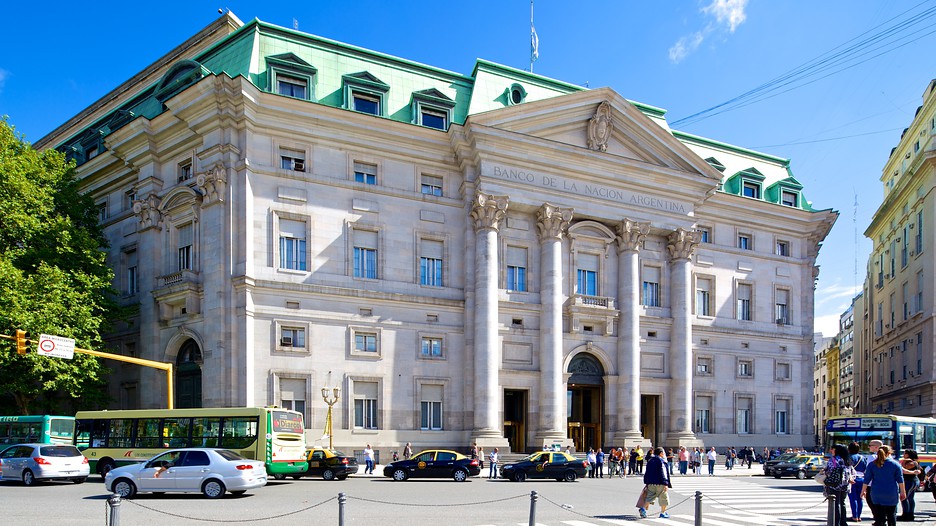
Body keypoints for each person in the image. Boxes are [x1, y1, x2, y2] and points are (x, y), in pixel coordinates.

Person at [861, 444, 906, 526]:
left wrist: (863, 491)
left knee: (879, 515)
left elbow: (867, 479)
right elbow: (900, 479)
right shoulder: (895, 464)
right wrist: (903, 492)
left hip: (876, 493)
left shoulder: (872, 464)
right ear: (889, 453)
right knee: (891, 514)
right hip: (891, 493)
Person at [638, 447, 672, 519]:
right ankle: (663, 512)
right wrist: (666, 483)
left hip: (651, 483)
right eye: (663, 453)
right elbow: (663, 473)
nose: (663, 454)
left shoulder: (650, 460)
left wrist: (646, 482)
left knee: (649, 497)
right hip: (660, 483)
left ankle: (643, 509)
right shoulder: (661, 461)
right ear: (660, 453)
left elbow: (647, 472)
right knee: (664, 498)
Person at [823, 444, 851, 526]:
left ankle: (836, 522)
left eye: (832, 449)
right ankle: (843, 522)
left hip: (834, 484)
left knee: (835, 503)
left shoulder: (833, 460)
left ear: (836, 450)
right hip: (845, 484)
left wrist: (823, 471)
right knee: (842, 503)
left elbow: (829, 471)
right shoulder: (847, 460)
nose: (831, 450)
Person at [898, 449, 922, 521]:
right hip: (912, 481)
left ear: (908, 454)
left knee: (905, 497)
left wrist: (903, 462)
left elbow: (905, 469)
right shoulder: (915, 462)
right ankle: (910, 514)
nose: (903, 455)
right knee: (910, 498)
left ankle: (906, 514)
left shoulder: (912, 462)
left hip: (910, 481)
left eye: (905, 453)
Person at [848, 441, 868, 522]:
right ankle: (859, 516)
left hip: (852, 478)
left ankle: (854, 515)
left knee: (853, 498)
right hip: (862, 478)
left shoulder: (849, 457)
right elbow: (865, 468)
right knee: (860, 498)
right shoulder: (862, 457)